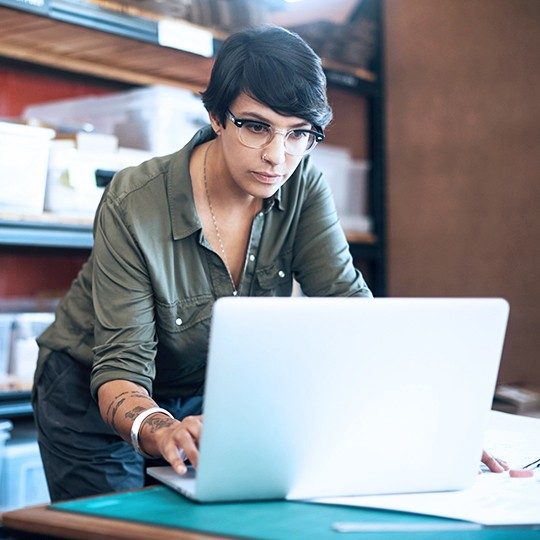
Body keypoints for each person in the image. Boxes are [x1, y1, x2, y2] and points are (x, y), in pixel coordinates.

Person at [32, 25, 505, 503]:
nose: (278, 157)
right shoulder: (135, 200)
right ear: (217, 117)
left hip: (202, 397)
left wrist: (431, 430)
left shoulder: (303, 186)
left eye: (299, 133)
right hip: (94, 397)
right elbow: (122, 367)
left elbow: (352, 314)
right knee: (118, 531)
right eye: (256, 126)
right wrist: (160, 428)